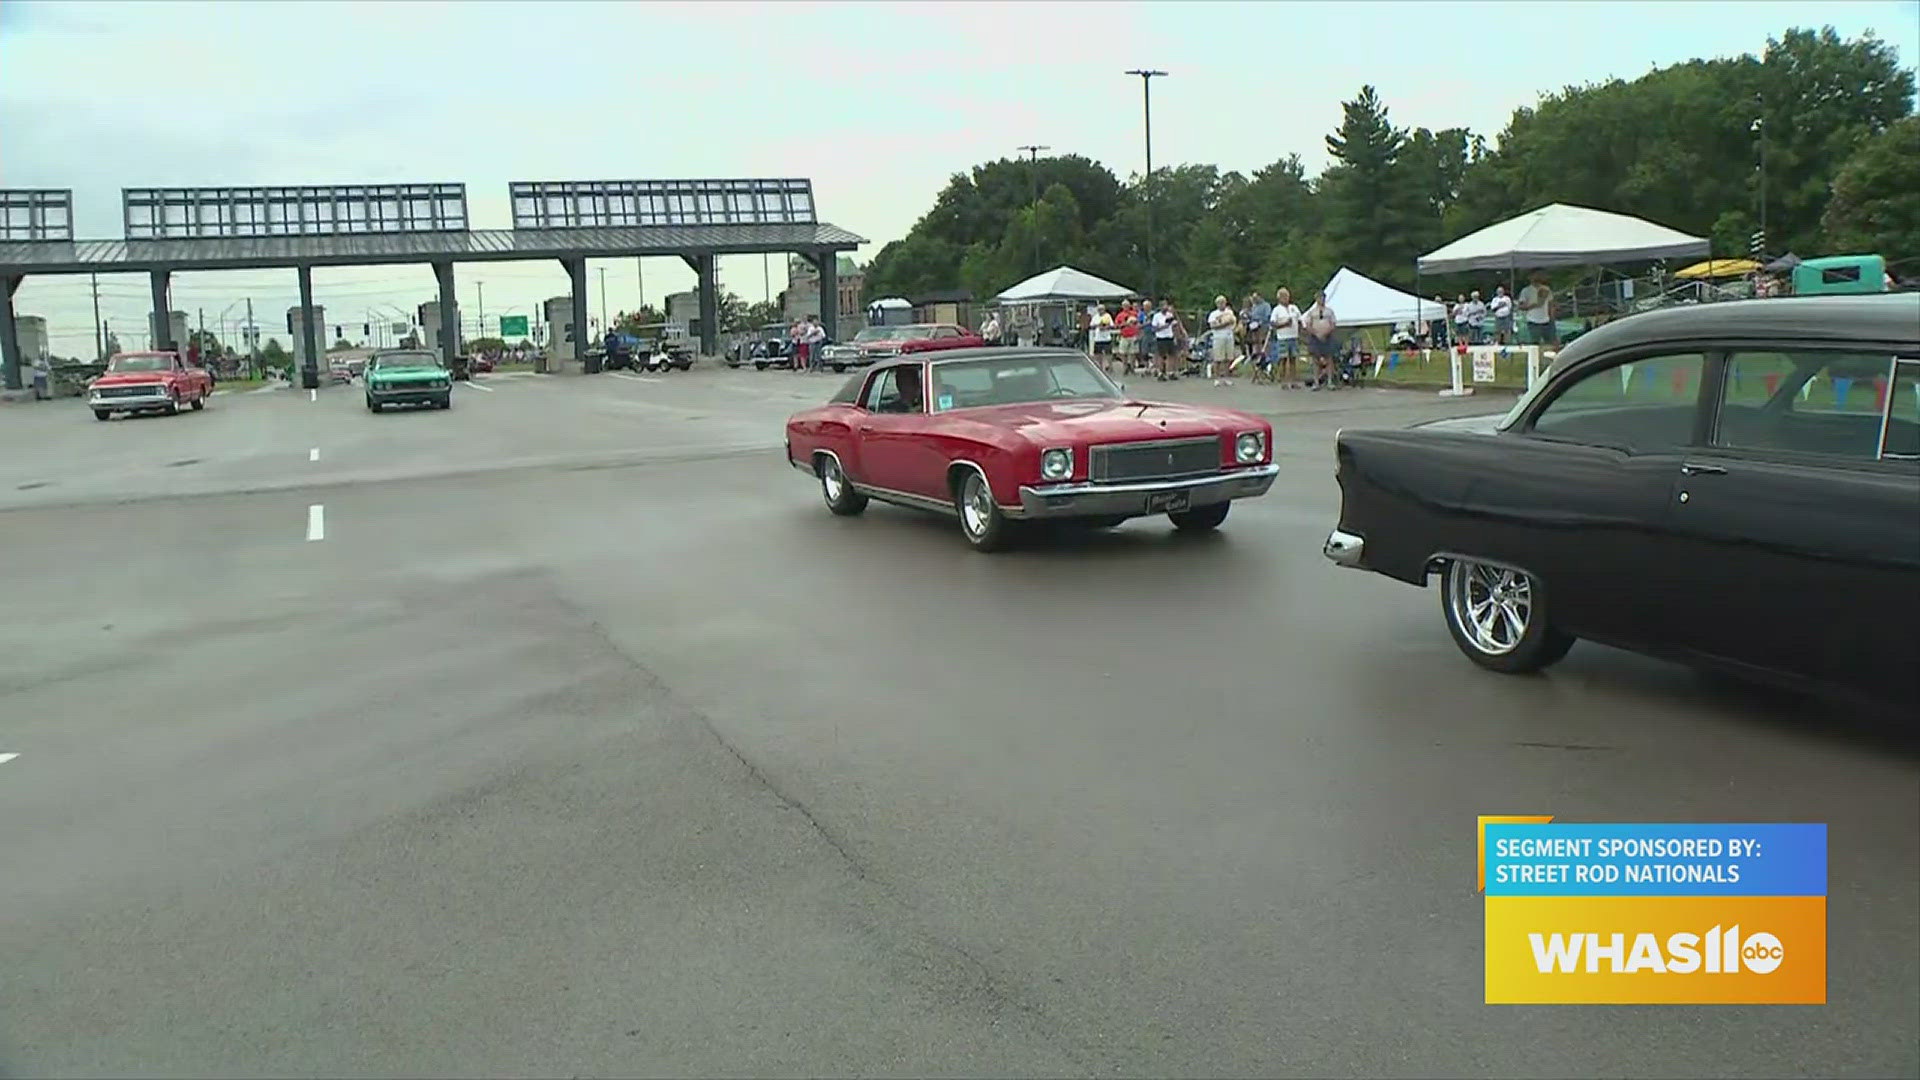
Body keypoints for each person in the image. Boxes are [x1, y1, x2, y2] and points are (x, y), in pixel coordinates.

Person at [1268, 287, 1303, 388]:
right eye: (1283, 296)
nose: (1286, 298)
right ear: (1279, 298)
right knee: (1283, 359)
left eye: (1287, 296)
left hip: (1294, 337)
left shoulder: (1294, 308)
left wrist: (1300, 332)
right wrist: (1284, 324)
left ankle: (1293, 381)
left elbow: (1300, 320)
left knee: (1293, 359)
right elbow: (1273, 324)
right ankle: (1283, 381)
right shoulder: (1277, 310)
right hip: (1283, 337)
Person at [1303, 291, 1338, 390]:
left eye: (1322, 298)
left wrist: (1326, 332)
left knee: (1329, 359)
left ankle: (1330, 382)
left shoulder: (1329, 311)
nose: (1321, 300)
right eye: (1319, 298)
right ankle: (1316, 382)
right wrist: (1316, 333)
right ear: (1316, 299)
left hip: (1327, 336)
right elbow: (1308, 325)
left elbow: (1333, 324)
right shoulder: (1312, 312)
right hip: (1315, 337)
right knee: (1315, 360)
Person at [1518, 272, 1558, 347]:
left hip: (1546, 321)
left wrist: (1552, 318)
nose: (1537, 277)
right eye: (1535, 275)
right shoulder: (1526, 290)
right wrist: (1534, 305)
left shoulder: (1547, 289)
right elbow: (1520, 306)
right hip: (1533, 321)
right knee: (1535, 344)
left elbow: (1550, 304)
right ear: (1530, 277)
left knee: (1551, 343)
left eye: (1539, 275)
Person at [1207, 295, 1238, 385]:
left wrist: (1229, 325)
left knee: (1228, 358)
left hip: (1229, 336)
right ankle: (1217, 378)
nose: (1221, 304)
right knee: (1218, 358)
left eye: (1223, 302)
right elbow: (1213, 326)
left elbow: (1233, 322)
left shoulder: (1229, 312)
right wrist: (1224, 324)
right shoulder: (1213, 314)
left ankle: (1226, 377)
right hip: (1218, 337)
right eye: (1219, 303)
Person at [1151, 299, 1183, 381]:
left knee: (1172, 355)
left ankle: (1170, 372)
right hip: (1161, 338)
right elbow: (1154, 329)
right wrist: (1163, 326)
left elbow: (1173, 325)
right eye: (1164, 305)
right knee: (1161, 355)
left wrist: (1176, 333)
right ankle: (1160, 373)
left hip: (1170, 337)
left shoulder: (1170, 315)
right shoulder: (1156, 316)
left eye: (1166, 305)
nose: (1166, 307)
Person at [1089, 303, 1116, 371]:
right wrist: (1098, 325)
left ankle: (1110, 367)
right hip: (1098, 338)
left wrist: (1106, 327)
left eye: (1102, 309)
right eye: (1099, 309)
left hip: (1106, 338)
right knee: (1098, 354)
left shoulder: (1108, 316)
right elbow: (1091, 326)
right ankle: (1100, 367)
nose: (1100, 310)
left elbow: (1112, 325)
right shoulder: (1095, 317)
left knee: (1108, 353)